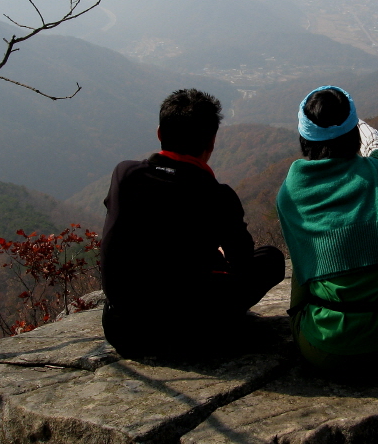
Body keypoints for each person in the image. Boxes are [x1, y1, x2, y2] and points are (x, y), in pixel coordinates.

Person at [100, 88, 285, 358]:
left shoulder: (125, 175)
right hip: (195, 332)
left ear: (160, 134)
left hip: (125, 332)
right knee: (271, 258)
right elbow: (243, 264)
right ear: (211, 142)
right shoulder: (217, 196)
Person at [276, 86, 378, 373]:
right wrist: (355, 121)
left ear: (304, 137)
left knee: (303, 260)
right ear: (353, 133)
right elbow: (377, 145)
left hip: (332, 350)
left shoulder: (291, 194)